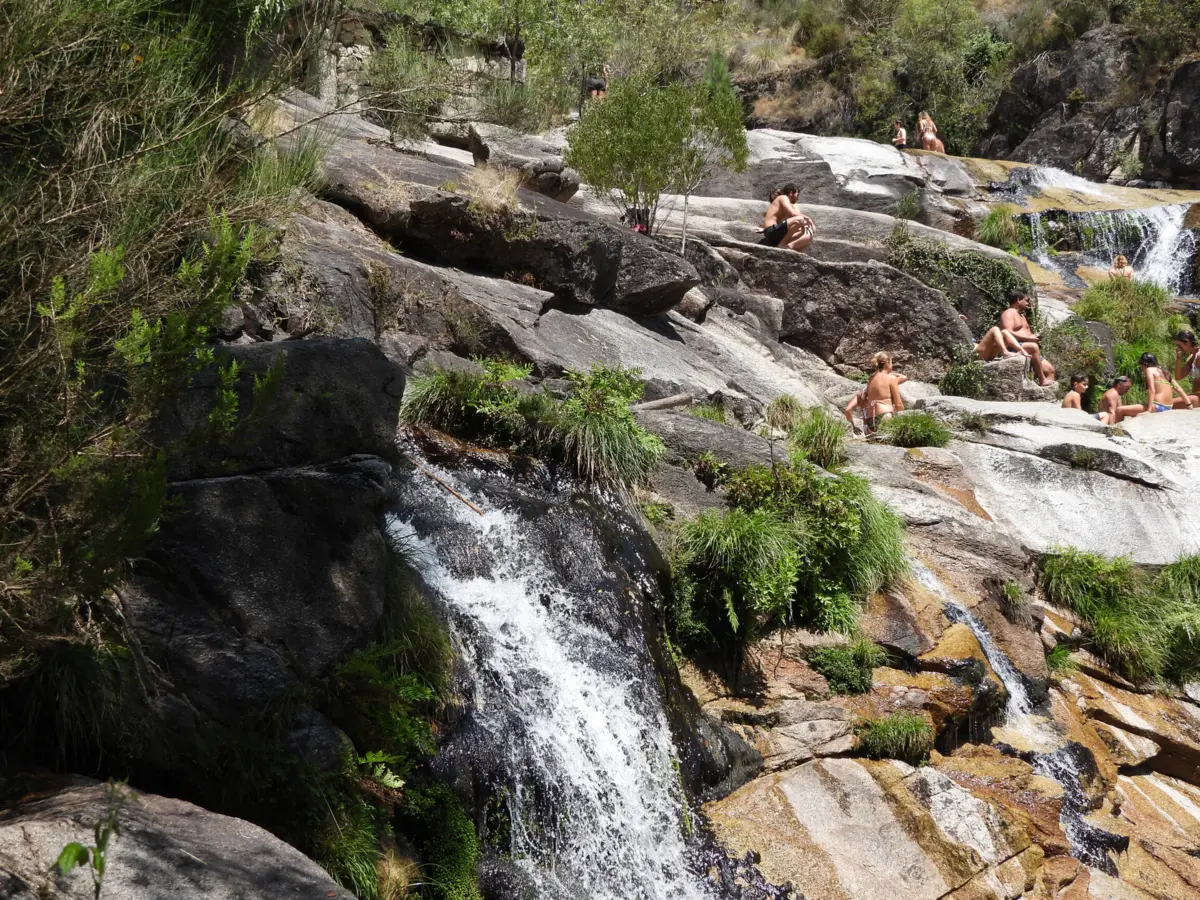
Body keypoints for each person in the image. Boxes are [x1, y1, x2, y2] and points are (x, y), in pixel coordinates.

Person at [999, 292, 1056, 386]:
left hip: (1027, 346)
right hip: (1014, 347)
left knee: (1050, 369)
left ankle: (1047, 395)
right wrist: (1030, 339)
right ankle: (1042, 379)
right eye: (1026, 300)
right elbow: (1007, 333)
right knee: (1033, 347)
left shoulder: (1021, 316)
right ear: (1018, 299)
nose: (1027, 303)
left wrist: (1034, 336)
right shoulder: (1008, 313)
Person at [844, 351, 906, 434]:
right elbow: (899, 404)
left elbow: (848, 409)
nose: (892, 365)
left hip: (870, 420)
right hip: (885, 415)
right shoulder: (891, 378)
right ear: (887, 363)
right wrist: (904, 422)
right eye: (891, 362)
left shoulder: (871, 379)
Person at [760, 183, 815, 251]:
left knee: (807, 235)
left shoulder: (788, 203)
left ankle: (789, 247)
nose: (798, 198)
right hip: (771, 231)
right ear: (791, 193)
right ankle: (783, 244)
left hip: (778, 233)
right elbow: (793, 214)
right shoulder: (783, 197)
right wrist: (808, 219)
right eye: (797, 195)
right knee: (800, 219)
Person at [1173, 329, 1200, 408]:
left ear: (1187, 342)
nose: (1178, 348)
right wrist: (1178, 358)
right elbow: (1178, 377)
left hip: (1198, 397)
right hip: (1196, 395)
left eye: (1179, 345)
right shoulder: (1192, 357)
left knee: (1169, 404)